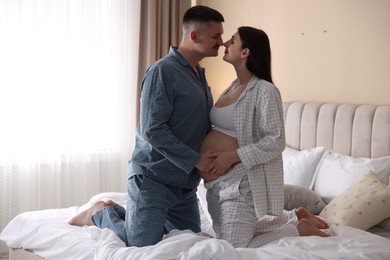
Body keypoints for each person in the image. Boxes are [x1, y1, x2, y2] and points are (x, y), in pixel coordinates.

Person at [68, 5, 225, 247]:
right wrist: (197, 159)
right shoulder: (163, 71)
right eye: (216, 36)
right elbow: (153, 129)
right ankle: (98, 213)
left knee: (189, 241)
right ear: (195, 36)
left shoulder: (199, 75)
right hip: (153, 179)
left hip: (184, 186)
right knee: (140, 242)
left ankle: (130, 214)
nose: (222, 42)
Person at [199, 26, 330, 248]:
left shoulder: (265, 90)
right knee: (224, 237)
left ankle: (297, 228)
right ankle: (294, 216)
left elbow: (275, 141)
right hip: (215, 185)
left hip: (239, 182)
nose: (224, 44)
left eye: (232, 40)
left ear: (245, 52)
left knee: (232, 246)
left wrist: (231, 157)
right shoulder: (231, 87)